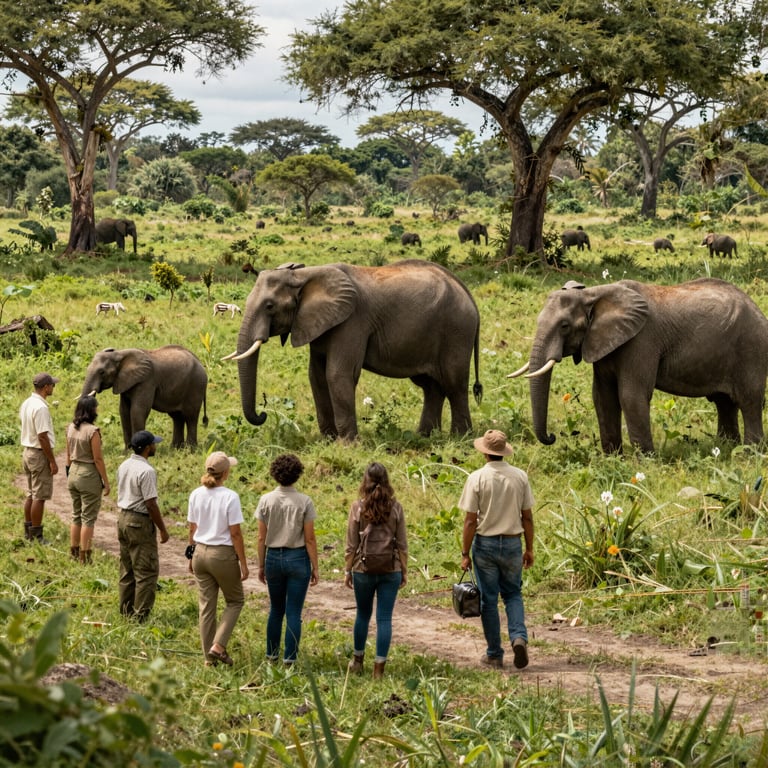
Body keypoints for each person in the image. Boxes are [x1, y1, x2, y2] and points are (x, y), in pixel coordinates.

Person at [458, 429, 534, 671]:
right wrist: (529, 548)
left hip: (486, 545)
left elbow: (470, 520)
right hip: (513, 543)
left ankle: (494, 653)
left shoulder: (477, 478)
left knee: (489, 600)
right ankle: (519, 637)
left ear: (485, 454)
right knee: (513, 594)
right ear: (503, 452)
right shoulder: (520, 477)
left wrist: (464, 553)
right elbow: (528, 517)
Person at [344, 462, 408, 680]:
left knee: (362, 614)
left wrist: (347, 570)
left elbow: (351, 544)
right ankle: (379, 668)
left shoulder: (358, 507)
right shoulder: (396, 507)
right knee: (384, 618)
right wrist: (404, 570)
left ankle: (357, 661)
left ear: (365, 481)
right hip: (391, 569)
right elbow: (402, 543)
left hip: (363, 568)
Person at [255, 454, 319, 665]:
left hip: (273, 556)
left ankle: (271, 655)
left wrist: (261, 564)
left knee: (275, 609)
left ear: (275, 474)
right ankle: (289, 659)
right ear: (297, 474)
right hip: (298, 557)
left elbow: (261, 537)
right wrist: (315, 566)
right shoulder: (304, 501)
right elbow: (309, 538)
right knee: (294, 612)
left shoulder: (266, 500)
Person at [187, 451, 249, 666]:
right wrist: (243, 562)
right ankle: (219, 645)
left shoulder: (196, 494)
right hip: (221, 554)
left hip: (200, 553)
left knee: (206, 606)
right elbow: (235, 534)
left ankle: (208, 660)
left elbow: (192, 528)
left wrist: (190, 554)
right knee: (235, 601)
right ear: (226, 473)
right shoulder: (230, 496)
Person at [116, 430, 169, 622]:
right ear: (147, 448)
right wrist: (162, 529)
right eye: (153, 444)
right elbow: (151, 504)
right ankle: (140, 617)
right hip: (139, 522)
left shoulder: (124, 465)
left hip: (122, 518)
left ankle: (126, 612)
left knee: (127, 568)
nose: (155, 446)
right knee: (146, 571)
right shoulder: (147, 471)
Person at [65, 395, 110, 563]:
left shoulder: (70, 428)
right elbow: (98, 459)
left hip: (74, 472)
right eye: (96, 408)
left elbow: (68, 455)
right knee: (88, 518)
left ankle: (74, 552)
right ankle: (85, 556)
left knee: (75, 515)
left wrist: (69, 473)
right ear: (91, 411)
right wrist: (105, 480)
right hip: (88, 473)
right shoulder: (93, 431)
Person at [19, 372, 60, 542]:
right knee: (39, 496)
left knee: (30, 493)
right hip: (38, 454)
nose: (53, 388)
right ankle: (36, 536)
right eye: (52, 385)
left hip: (27, 451)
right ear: (46, 387)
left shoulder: (27, 403)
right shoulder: (41, 408)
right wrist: (51, 460)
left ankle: (28, 531)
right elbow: (42, 436)